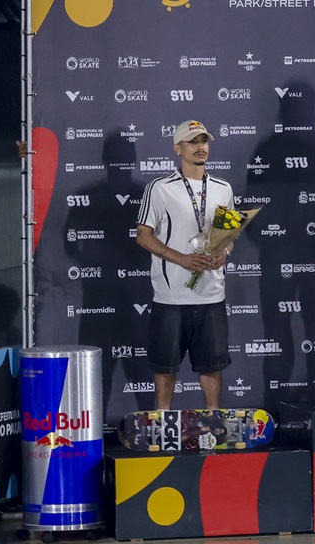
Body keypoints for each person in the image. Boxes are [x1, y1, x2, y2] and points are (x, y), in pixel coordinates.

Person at [136, 120, 234, 409]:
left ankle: (214, 420)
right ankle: (164, 419)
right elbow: (143, 236)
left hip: (211, 293)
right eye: (193, 141)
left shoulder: (223, 188)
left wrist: (224, 253)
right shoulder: (160, 188)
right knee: (165, 367)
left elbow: (228, 236)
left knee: (211, 365)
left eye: (204, 141)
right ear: (177, 148)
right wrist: (182, 259)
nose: (201, 146)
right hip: (171, 295)